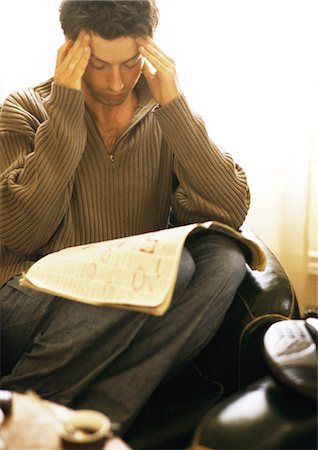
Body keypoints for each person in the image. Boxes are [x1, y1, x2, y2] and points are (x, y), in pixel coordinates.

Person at [0, 0, 249, 439]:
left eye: (131, 64)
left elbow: (228, 209)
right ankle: (18, 407)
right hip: (29, 294)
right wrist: (64, 112)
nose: (116, 82)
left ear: (149, 52)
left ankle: (98, 418)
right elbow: (20, 234)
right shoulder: (25, 108)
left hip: (132, 293)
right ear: (70, 51)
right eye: (98, 65)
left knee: (223, 258)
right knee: (176, 272)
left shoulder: (164, 113)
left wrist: (174, 105)